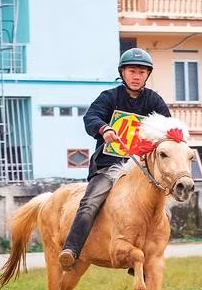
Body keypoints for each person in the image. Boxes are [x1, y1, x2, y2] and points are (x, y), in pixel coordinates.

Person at [58, 48, 171, 271]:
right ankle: (72, 249)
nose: (136, 76)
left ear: (147, 75)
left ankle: (143, 258)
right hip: (108, 167)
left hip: (139, 170)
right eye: (132, 71)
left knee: (162, 210)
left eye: (141, 72)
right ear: (123, 72)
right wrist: (103, 128)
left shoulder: (154, 101)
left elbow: (168, 127)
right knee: (90, 202)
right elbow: (91, 116)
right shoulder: (109, 97)